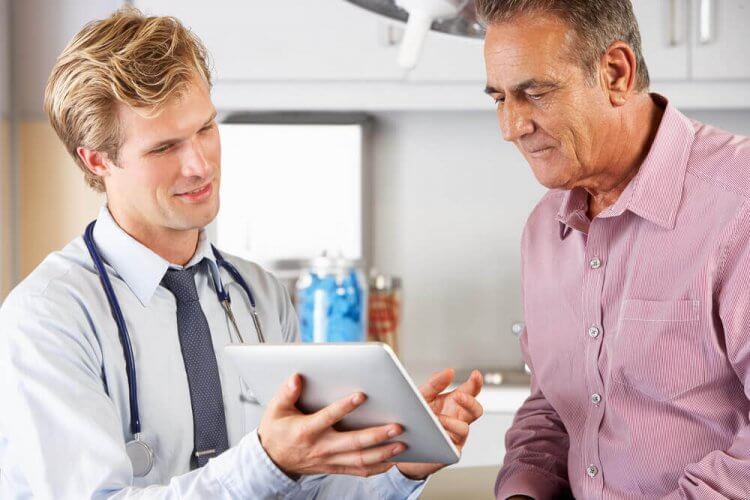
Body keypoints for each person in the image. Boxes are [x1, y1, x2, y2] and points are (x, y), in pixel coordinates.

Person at [0, 8, 484, 498]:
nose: (200, 164)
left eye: (206, 128)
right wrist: (267, 460)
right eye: (165, 147)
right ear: (98, 159)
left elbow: (310, 490)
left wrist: (401, 466)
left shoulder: (259, 295)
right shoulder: (48, 318)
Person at [476, 0, 750, 498]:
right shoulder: (544, 230)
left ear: (616, 73)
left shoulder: (740, 202)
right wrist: (524, 491)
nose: (511, 126)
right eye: (499, 98)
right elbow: (556, 407)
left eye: (534, 93)